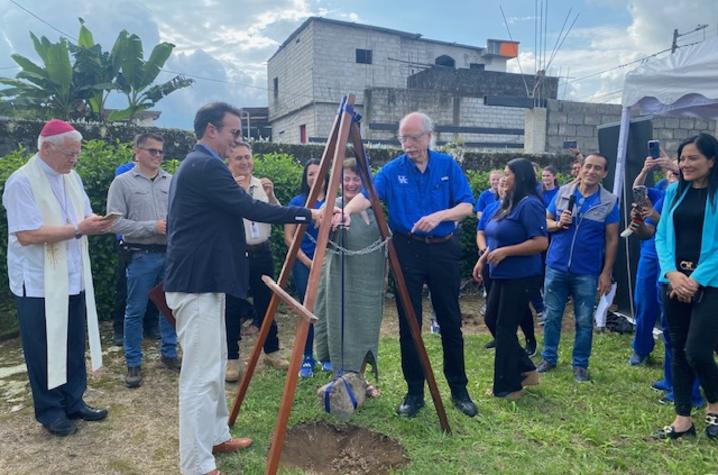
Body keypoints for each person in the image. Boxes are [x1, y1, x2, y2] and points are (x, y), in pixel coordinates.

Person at [164, 102, 320, 475]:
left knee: (213, 366)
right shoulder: (204, 166)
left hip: (207, 282)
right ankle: (196, 465)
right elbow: (250, 208)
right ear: (211, 131)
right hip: (196, 284)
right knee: (199, 377)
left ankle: (216, 435)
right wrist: (309, 213)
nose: (239, 140)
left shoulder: (200, 165)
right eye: (234, 132)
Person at [337, 111, 478, 418]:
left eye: (414, 137)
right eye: (403, 138)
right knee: (408, 323)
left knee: (450, 320)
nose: (408, 144)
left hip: (443, 249)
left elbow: (467, 205)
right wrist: (345, 211)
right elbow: (367, 196)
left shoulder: (447, 166)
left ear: (429, 136)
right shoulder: (392, 170)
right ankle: (414, 392)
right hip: (406, 250)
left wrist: (439, 216)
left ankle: (459, 389)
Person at [2, 119, 113, 436]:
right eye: (69, 154)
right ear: (46, 148)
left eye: (77, 154)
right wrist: (80, 228)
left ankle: (74, 400)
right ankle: (50, 411)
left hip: (73, 275)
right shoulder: (21, 182)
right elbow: (26, 235)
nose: (74, 160)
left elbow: (84, 217)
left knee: (73, 343)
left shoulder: (72, 177)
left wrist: (99, 222)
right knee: (42, 348)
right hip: (37, 283)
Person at [653, 133, 718, 440]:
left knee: (698, 350)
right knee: (677, 350)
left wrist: (695, 279)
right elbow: (662, 235)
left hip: (710, 283)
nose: (685, 164)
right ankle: (683, 420)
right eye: (682, 158)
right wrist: (672, 274)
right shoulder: (674, 191)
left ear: (711, 160)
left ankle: (715, 405)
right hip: (674, 282)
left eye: (693, 158)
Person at [536, 153, 619, 382]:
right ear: (580, 169)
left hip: (587, 270)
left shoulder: (609, 201)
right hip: (556, 265)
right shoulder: (563, 193)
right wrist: (557, 224)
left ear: (605, 173)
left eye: (598, 168)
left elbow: (612, 239)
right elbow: (545, 222)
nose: (591, 171)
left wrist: (606, 271)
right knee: (552, 315)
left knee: (584, 319)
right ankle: (548, 357)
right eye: (588, 167)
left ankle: (580, 364)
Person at [107, 133, 179, 388]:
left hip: (170, 254)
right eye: (152, 151)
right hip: (140, 255)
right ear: (137, 151)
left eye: (161, 152)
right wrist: (152, 227)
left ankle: (169, 353)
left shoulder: (171, 181)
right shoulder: (122, 183)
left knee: (169, 307)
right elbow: (114, 222)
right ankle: (133, 361)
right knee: (134, 310)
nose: (157, 156)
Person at [473, 158, 547, 400]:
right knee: (492, 319)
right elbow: (495, 237)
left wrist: (506, 252)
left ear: (522, 177)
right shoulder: (507, 204)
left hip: (521, 275)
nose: (504, 178)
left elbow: (540, 242)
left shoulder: (530, 205)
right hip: (499, 274)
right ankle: (525, 368)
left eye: (508, 173)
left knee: (505, 329)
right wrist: (482, 259)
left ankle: (507, 386)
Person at [314, 158, 386, 394]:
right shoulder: (333, 205)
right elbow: (323, 240)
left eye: (357, 179)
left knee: (366, 326)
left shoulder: (376, 207)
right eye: (347, 178)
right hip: (343, 277)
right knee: (342, 325)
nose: (352, 183)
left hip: (371, 277)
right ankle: (343, 380)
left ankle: (360, 379)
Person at [224, 142, 289, 382]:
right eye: (238, 158)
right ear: (229, 162)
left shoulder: (261, 185)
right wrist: (238, 193)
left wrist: (271, 195)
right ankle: (232, 358)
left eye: (247, 157)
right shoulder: (226, 187)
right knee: (231, 306)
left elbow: (278, 213)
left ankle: (271, 351)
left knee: (267, 303)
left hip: (262, 251)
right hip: (235, 253)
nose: (244, 162)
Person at [476, 176, 537, 356]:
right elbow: (481, 232)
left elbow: (537, 241)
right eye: (500, 185)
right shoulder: (491, 208)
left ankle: (529, 339)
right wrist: (483, 253)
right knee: (492, 311)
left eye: (506, 183)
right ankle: (505, 341)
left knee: (519, 308)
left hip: (514, 268)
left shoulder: (524, 207)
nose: (503, 187)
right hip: (490, 262)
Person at [626, 155, 674, 366]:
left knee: (669, 309)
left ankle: (673, 359)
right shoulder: (662, 190)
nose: (672, 175)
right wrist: (645, 170)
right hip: (650, 251)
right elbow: (638, 188)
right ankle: (641, 348)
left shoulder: (692, 195)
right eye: (670, 171)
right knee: (644, 301)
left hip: (673, 257)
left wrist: (655, 218)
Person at [284, 159, 329, 378]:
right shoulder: (298, 201)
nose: (314, 178)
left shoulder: (333, 201)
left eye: (318, 173)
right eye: (310, 174)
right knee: (307, 310)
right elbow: (288, 237)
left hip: (328, 263)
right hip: (304, 264)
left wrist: (324, 260)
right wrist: (308, 262)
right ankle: (307, 357)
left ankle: (327, 356)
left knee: (327, 309)